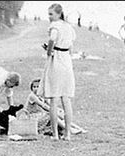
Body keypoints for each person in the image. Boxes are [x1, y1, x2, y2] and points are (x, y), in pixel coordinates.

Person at [41, 3, 77, 141]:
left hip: (57, 62)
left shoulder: (54, 26)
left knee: (54, 99)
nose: (49, 17)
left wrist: (49, 52)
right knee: (66, 99)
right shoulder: (68, 27)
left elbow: (52, 40)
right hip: (66, 61)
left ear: (58, 14)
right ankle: (67, 134)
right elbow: (70, 45)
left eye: (51, 14)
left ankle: (55, 134)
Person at [19, 78, 86, 136]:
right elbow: (43, 106)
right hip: (32, 118)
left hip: (39, 116)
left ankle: (77, 128)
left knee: (59, 114)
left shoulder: (42, 95)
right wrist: (54, 111)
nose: (36, 89)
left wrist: (58, 110)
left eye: (38, 87)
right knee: (51, 114)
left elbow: (50, 105)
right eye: (34, 87)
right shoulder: (32, 96)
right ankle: (68, 129)